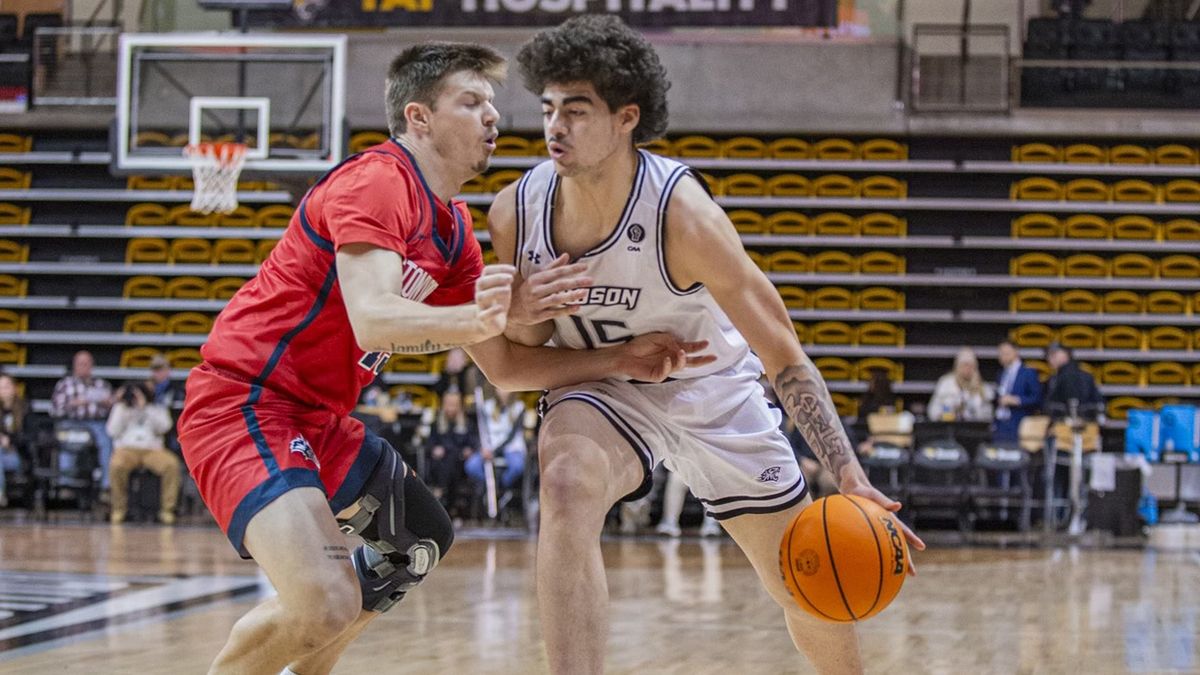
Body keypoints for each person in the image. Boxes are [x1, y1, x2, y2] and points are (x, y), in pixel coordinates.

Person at [176, 42, 700, 675]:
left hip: (316, 417)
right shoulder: (377, 180)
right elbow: (375, 321)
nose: (493, 118)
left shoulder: (453, 232)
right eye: (472, 101)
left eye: (494, 105)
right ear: (420, 117)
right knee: (325, 599)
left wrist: (619, 359)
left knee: (413, 544)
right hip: (245, 403)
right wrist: (495, 313)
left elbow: (505, 368)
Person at [487, 16, 924, 674]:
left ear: (626, 116)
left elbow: (782, 351)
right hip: (605, 388)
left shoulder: (681, 215)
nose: (555, 126)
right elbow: (514, 365)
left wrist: (849, 472)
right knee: (567, 480)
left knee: (804, 575)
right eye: (548, 108)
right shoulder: (514, 214)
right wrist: (524, 311)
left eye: (576, 110)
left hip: (711, 387)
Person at [106, 381, 179, 524]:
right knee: (116, 465)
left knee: (172, 465)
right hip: (126, 449)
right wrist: (121, 405)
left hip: (152, 450)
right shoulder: (120, 408)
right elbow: (112, 431)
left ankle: (167, 510)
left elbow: (165, 427)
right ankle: (119, 509)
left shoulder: (156, 408)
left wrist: (144, 408)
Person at [50, 350, 114, 489]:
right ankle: (65, 484)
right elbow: (55, 410)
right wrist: (74, 404)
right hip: (71, 421)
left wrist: (108, 403)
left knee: (106, 442)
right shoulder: (65, 384)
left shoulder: (101, 385)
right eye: (81, 364)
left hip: (96, 422)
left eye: (87, 363)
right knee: (66, 443)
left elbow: (113, 410)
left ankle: (106, 485)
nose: (84, 366)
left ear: (92, 365)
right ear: (74, 365)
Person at [463, 386, 527, 507]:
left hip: (511, 448)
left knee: (517, 466)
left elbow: (512, 435)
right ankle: (488, 487)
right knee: (471, 466)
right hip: (489, 447)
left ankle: (500, 488)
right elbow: (481, 431)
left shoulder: (519, 407)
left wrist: (496, 451)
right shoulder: (486, 406)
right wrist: (482, 448)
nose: (503, 392)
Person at [992, 339, 1043, 442]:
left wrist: (1017, 400)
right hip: (1001, 424)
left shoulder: (1028, 373)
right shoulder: (1001, 374)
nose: (1003, 356)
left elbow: (1037, 398)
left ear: (1016, 352)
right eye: (1001, 353)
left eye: (1006, 353)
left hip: (1020, 423)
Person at [927, 347, 994, 422]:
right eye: (964, 365)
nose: (967, 369)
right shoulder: (946, 383)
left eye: (970, 366)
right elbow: (933, 411)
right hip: (949, 428)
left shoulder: (983, 388)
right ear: (957, 366)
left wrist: (975, 392)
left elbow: (987, 415)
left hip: (973, 429)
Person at [1043, 342, 1104, 420]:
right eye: (1049, 355)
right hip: (1082, 422)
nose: (1050, 358)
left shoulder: (1065, 377)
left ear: (1066, 354)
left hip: (1066, 424)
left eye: (1054, 354)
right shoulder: (1055, 377)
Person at [0, 373, 26, 507]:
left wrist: (10, 441)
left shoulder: (24, 409)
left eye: (6, 386)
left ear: (14, 388)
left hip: (16, 456)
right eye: (1, 387)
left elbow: (28, 437)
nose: (3, 391)